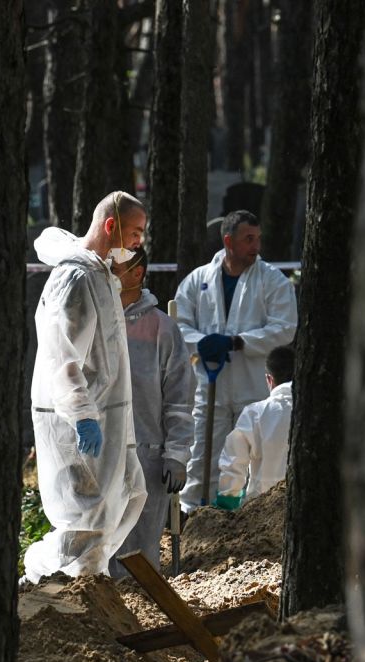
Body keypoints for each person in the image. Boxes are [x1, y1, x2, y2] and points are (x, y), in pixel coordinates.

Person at [24, 191, 149, 582]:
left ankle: (81, 576)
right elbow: (62, 356)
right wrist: (81, 416)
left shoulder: (101, 275)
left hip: (106, 415)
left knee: (129, 495)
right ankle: (59, 579)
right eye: (134, 232)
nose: (138, 242)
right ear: (111, 225)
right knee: (88, 516)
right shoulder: (76, 278)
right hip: (76, 418)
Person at [173, 209, 297, 513]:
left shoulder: (271, 281)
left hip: (252, 385)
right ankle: (194, 517)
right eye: (248, 239)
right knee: (202, 453)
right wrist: (201, 343)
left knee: (250, 455)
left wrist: (238, 342)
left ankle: (245, 517)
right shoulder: (197, 281)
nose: (256, 246)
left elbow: (285, 327)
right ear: (228, 241)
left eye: (258, 239)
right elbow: (177, 324)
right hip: (208, 386)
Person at [109, 247, 194, 575]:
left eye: (116, 270)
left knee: (140, 555)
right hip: (100, 454)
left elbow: (180, 398)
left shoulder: (161, 330)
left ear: (137, 274)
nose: (110, 277)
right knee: (99, 549)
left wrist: (176, 454)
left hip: (147, 457)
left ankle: (142, 619)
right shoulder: (95, 323)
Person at [215, 345, 295, 508]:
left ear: (269, 380)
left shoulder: (255, 413)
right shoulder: (318, 414)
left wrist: (227, 504)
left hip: (262, 510)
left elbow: (234, 463)